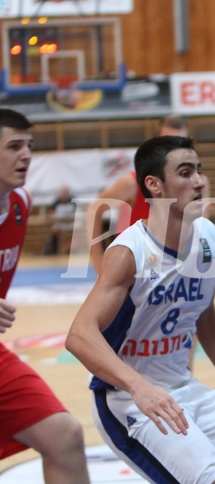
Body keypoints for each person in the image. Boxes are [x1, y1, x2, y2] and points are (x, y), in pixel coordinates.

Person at [66, 135, 215, 483]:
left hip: (185, 387)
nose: (199, 181)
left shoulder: (212, 238)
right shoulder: (128, 253)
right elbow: (79, 336)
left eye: (199, 171)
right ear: (154, 185)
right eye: (186, 172)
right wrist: (139, 387)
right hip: (127, 399)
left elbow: (205, 315)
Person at [0, 108, 90, 483]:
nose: (26, 154)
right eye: (14, 146)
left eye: (29, 145)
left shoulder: (19, 202)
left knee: (64, 435)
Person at [86, 114, 212, 276]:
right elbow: (94, 209)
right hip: (140, 270)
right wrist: (99, 268)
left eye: (181, 142)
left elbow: (203, 230)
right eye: (168, 143)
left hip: (180, 269)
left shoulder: (200, 183)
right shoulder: (132, 182)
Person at [44, 185, 76, 255]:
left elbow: (78, 211)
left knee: (80, 229)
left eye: (65, 192)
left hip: (71, 222)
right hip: (61, 223)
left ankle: (72, 245)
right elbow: (50, 212)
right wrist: (53, 215)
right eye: (63, 193)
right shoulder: (56, 202)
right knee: (55, 229)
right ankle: (65, 245)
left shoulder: (73, 201)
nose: (64, 194)